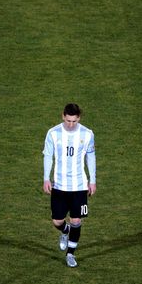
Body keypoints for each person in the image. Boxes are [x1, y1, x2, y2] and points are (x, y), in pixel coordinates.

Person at [43, 103, 96, 268]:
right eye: (68, 120)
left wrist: (92, 180)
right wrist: (46, 178)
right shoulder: (53, 133)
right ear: (63, 116)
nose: (71, 124)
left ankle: (70, 254)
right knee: (57, 221)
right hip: (59, 185)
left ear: (78, 118)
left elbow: (91, 157)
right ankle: (65, 232)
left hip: (79, 186)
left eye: (74, 121)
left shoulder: (87, 134)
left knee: (76, 220)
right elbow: (47, 156)